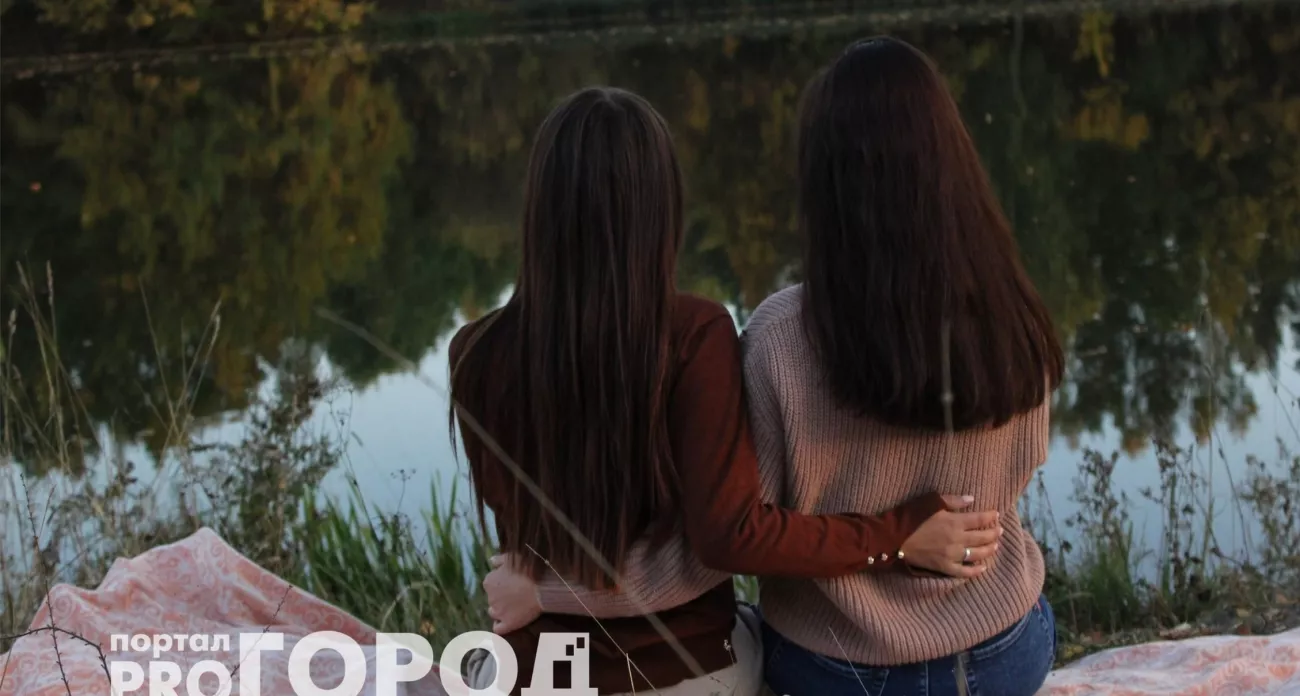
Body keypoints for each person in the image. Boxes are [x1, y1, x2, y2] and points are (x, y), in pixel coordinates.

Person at [482, 37, 1064, 696]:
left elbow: (733, 538)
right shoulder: (1017, 314)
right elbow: (1024, 467)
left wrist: (550, 588)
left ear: (823, 181)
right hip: (1001, 655)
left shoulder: (782, 337)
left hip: (835, 672)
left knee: (746, 633)